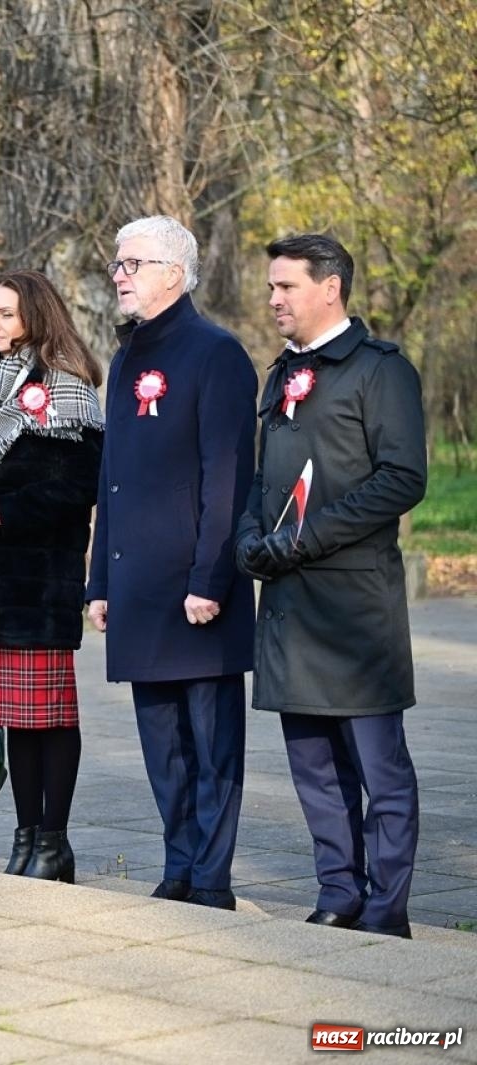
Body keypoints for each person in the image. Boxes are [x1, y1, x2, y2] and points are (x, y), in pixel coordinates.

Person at [235, 234, 426, 937]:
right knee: (313, 765)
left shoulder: (381, 372)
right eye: (272, 286)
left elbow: (402, 478)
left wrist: (306, 539)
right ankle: (338, 891)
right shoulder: (280, 373)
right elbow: (263, 476)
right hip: (289, 602)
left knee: (381, 768)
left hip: (355, 605)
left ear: (330, 287)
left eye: (286, 286)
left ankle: (386, 906)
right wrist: (248, 535)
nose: (274, 298)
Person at [85, 215, 257, 910]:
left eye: (133, 263)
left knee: (212, 748)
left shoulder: (215, 353)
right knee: (163, 746)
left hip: (195, 589)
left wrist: (210, 579)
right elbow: (111, 478)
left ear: (174, 274)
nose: (119, 274)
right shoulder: (127, 357)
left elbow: (229, 477)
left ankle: (211, 879)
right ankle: (179, 865)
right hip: (137, 587)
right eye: (118, 263)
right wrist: (98, 580)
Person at [0, 270, 105, 883]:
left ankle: (55, 842)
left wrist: (8, 511)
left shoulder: (65, 388)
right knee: (13, 718)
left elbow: (81, 485)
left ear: (36, 317)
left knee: (50, 715)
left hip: (41, 578)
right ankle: (24, 838)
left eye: (8, 314)